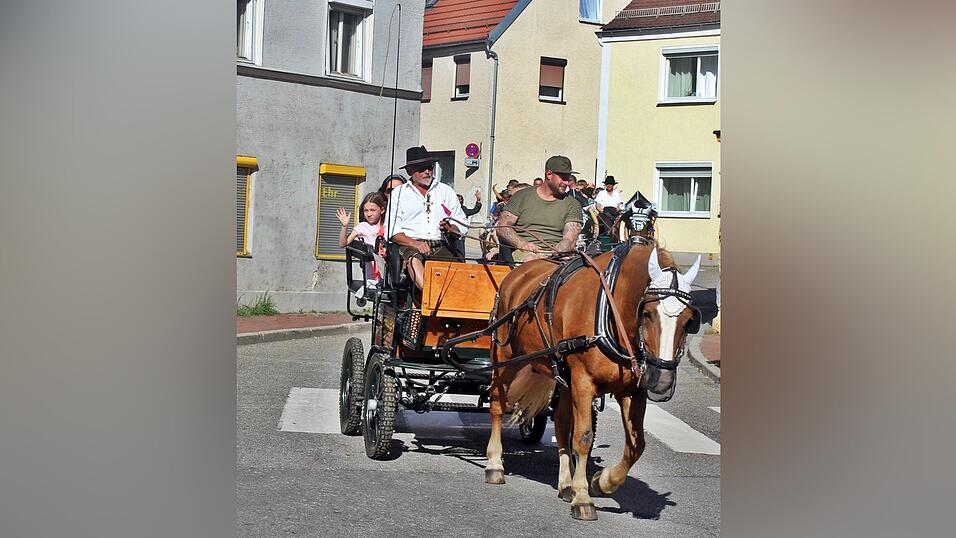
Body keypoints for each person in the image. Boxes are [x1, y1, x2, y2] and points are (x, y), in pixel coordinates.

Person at [386, 146, 468, 289]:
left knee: (458, 272)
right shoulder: (399, 193)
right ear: (409, 171)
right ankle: (429, 297)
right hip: (410, 245)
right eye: (421, 169)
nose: (427, 172)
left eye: (429, 168)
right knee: (413, 261)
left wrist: (451, 227)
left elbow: (462, 223)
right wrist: (414, 243)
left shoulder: (446, 191)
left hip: (441, 244)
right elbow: (392, 231)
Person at [496, 155, 583, 262]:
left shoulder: (573, 204)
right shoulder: (521, 197)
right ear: (549, 174)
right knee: (531, 260)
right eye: (563, 178)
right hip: (524, 253)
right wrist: (522, 244)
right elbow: (503, 227)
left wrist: (553, 254)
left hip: (557, 255)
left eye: (568, 179)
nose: (566, 183)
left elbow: (570, 239)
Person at [337, 192, 387, 294]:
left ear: (382, 210)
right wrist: (344, 226)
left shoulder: (388, 227)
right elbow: (343, 243)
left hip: (387, 270)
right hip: (372, 276)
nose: (369, 214)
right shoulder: (362, 227)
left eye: (372, 210)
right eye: (366, 211)